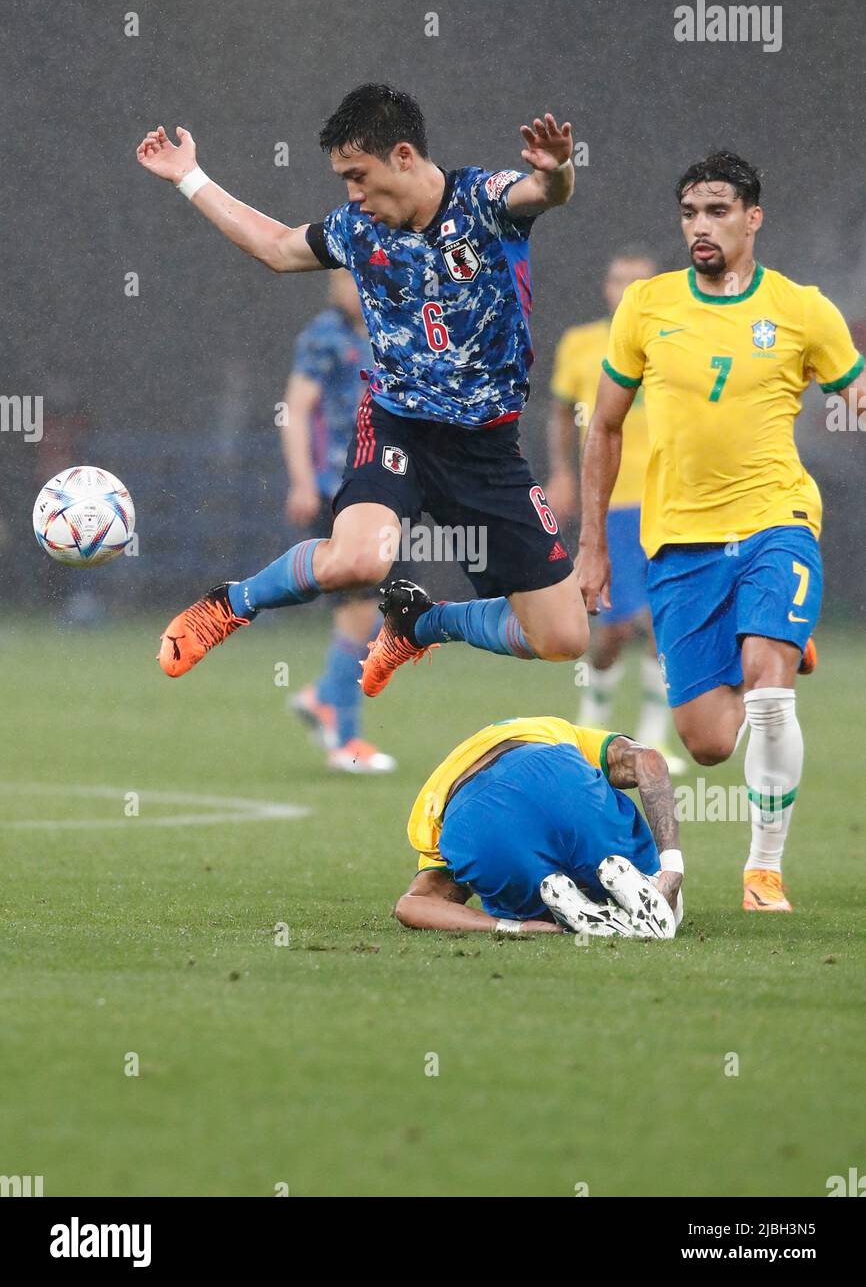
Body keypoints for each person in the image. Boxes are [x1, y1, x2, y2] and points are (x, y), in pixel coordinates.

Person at [135, 84, 589, 695]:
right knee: (359, 560)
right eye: (344, 179)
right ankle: (231, 603)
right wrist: (189, 176)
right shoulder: (358, 229)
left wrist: (558, 168)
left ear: (403, 156)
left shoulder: (483, 200)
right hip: (397, 425)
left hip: (488, 447)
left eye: (358, 175)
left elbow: (544, 192)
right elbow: (274, 246)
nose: (352, 194)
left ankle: (421, 625)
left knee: (564, 639)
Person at [576, 150, 866, 912]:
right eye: (689, 213)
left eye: (716, 211)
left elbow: (854, 387)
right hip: (679, 542)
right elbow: (603, 427)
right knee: (705, 741)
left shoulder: (803, 308)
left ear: (752, 218)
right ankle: (776, 637)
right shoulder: (647, 305)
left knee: (770, 695)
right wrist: (592, 543)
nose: (699, 227)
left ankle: (763, 869)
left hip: (778, 519)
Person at [546, 249, 685, 772]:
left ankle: (651, 738)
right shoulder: (581, 343)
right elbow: (562, 414)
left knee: (662, 622)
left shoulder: (677, 339)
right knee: (614, 628)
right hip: (612, 504)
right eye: (618, 279)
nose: (627, 289)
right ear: (605, 287)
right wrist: (561, 471)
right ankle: (594, 721)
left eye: (638, 281)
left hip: (672, 502)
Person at [394, 716, 683, 936]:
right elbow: (650, 761)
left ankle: (558, 911)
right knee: (658, 886)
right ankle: (645, 881)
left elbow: (410, 906)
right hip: (553, 772)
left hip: (469, 818)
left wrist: (512, 927)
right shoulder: (562, 732)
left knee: (521, 894)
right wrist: (672, 867)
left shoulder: (432, 805)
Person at [284, 271, 395, 773]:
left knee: (377, 614)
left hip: (387, 488)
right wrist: (303, 481)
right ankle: (345, 738)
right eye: (338, 277)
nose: (343, 285)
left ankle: (324, 695)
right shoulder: (324, 335)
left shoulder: (394, 324)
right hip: (338, 488)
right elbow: (295, 408)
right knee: (359, 608)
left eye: (352, 275)